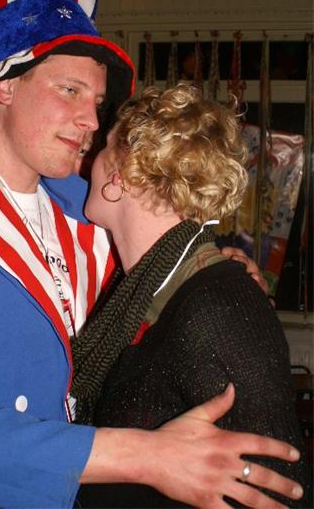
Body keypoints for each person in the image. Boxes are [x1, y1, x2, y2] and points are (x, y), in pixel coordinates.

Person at [0, 0, 304, 509]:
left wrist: (217, 271)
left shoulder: (84, 217)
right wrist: (143, 455)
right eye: (70, 91)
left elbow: (157, 279)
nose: (91, 121)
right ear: (5, 83)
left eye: (98, 102)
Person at [72, 83, 311, 508]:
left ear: (122, 175)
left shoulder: (219, 307)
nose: (89, 161)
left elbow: (281, 487)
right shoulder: (146, 289)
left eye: (105, 147)